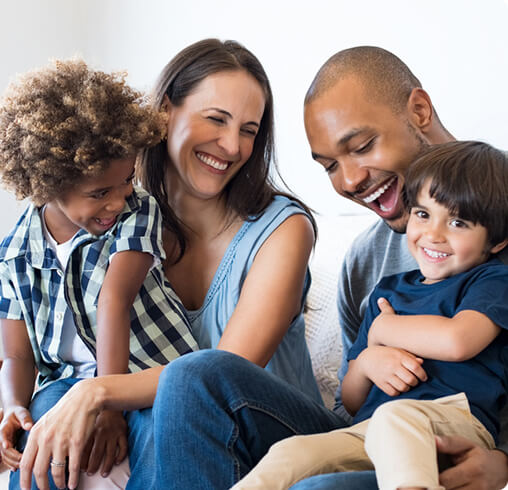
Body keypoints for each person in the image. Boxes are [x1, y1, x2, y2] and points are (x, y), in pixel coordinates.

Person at [142, 46, 508, 490]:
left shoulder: (495, 242)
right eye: (331, 166)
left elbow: (461, 344)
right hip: (370, 435)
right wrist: (370, 357)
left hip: (457, 442)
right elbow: (351, 405)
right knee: (193, 376)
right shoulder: (365, 263)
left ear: (419, 110)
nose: (350, 180)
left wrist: (503, 462)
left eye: (362, 146)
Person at [0, 39, 327, 490]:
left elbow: (219, 375)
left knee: (184, 389)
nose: (233, 145)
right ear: (164, 113)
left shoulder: (282, 230)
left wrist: (98, 393)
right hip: (182, 432)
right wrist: (20, 417)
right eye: (216, 119)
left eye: (250, 130)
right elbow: (65, 343)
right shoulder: (112, 217)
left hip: (272, 433)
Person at [231, 140, 508, 489]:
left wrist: (384, 330)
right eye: (423, 214)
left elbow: (458, 341)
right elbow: (351, 399)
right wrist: (366, 363)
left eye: (458, 222)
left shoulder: (491, 279)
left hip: (452, 421)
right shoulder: (388, 290)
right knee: (292, 452)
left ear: (496, 241)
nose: (433, 235)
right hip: (372, 426)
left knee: (397, 418)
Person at [0, 58, 201, 490]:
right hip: (64, 383)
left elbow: (114, 301)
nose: (118, 202)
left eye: (125, 182)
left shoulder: (137, 212)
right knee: (39, 446)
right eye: (100, 193)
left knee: (161, 438)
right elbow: (17, 356)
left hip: (146, 374)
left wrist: (108, 408)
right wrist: (13, 406)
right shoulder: (12, 256)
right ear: (47, 186)